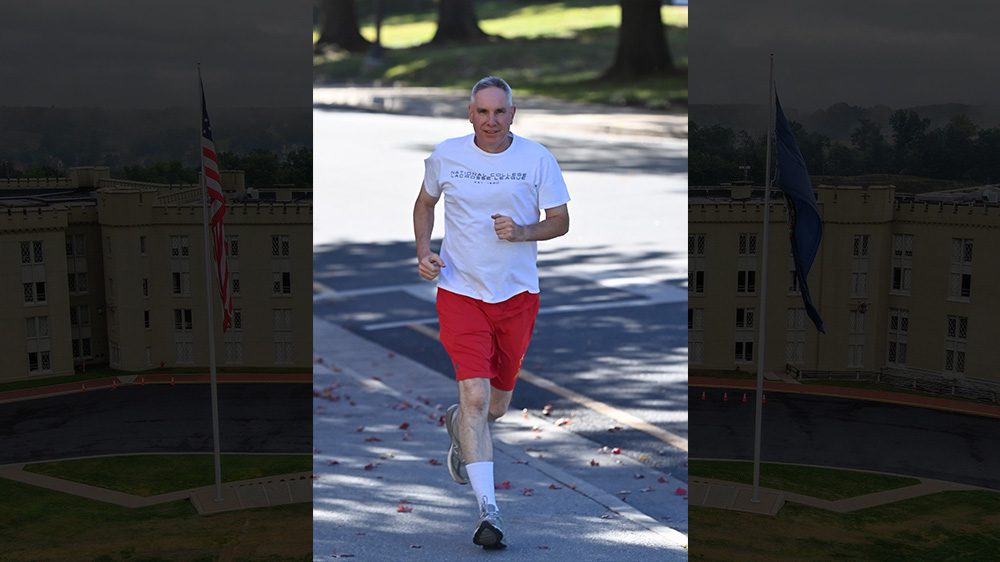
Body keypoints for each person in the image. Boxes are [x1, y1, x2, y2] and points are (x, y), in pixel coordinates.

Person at [412, 76, 570, 550]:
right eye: (482, 112)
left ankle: (459, 425)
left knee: (495, 406)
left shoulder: (537, 158)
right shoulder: (447, 155)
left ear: (513, 114)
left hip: (518, 296)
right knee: (475, 398)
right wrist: (424, 251)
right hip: (460, 292)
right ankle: (489, 514)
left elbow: (560, 221)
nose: (491, 121)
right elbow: (424, 204)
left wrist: (522, 232)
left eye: (499, 112)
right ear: (469, 113)